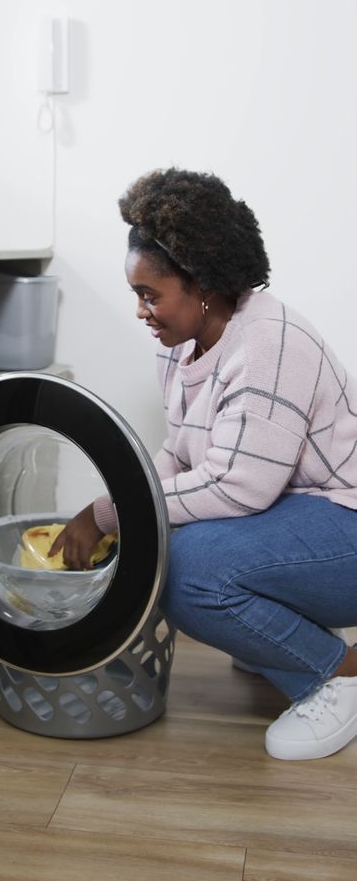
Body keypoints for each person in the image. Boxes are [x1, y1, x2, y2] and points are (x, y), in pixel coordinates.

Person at [50, 167, 357, 762]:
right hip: (308, 517)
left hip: (348, 522)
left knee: (187, 571)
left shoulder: (268, 343)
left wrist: (108, 513)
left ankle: (335, 674)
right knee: (168, 543)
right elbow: (184, 453)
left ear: (204, 286)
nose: (141, 310)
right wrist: (116, 505)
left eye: (150, 294)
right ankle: (278, 635)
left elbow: (238, 489)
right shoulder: (184, 345)